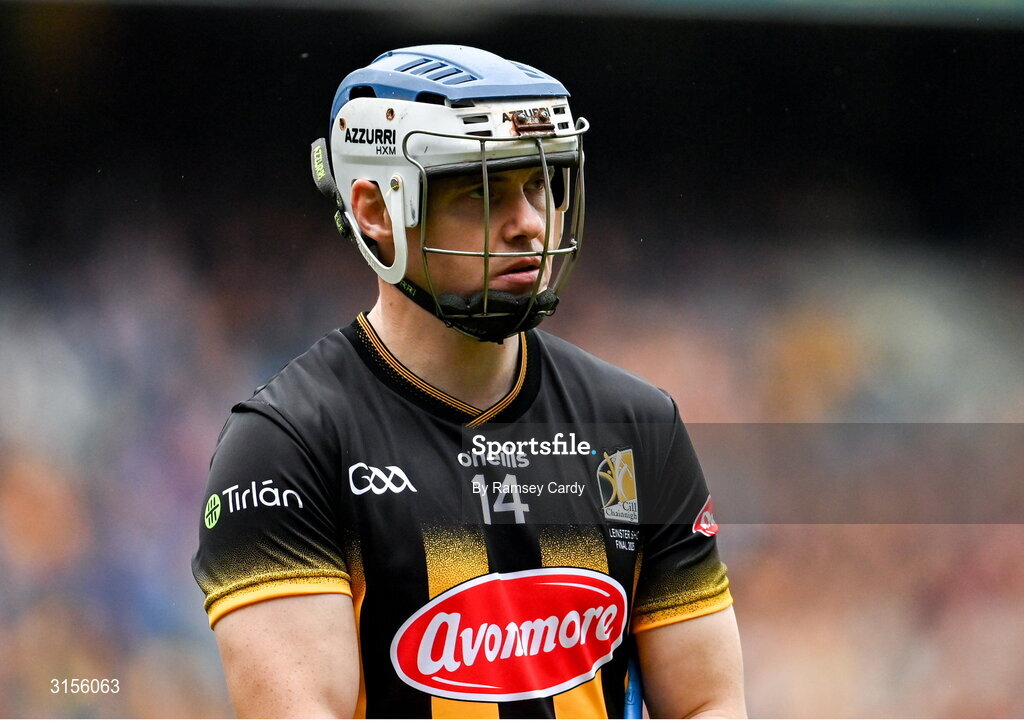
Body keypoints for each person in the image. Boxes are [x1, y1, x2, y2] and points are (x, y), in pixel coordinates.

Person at [192, 44, 745, 719]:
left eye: (539, 185)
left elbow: (707, 704)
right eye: (482, 190)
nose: (530, 224)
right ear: (375, 209)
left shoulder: (638, 423)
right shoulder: (287, 445)